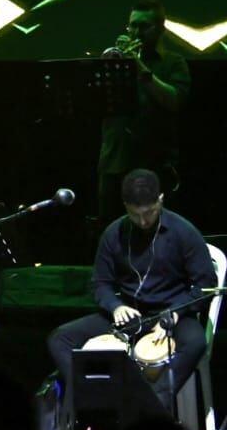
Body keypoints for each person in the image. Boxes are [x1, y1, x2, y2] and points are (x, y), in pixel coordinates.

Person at [46, 169, 217, 416]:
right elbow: (100, 283)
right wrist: (115, 307)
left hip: (170, 314)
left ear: (160, 200)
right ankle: (94, 402)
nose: (144, 221)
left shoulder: (184, 232)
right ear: (126, 206)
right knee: (59, 338)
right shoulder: (114, 233)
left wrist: (177, 312)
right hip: (128, 315)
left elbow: (206, 285)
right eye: (135, 215)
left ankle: (153, 406)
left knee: (196, 341)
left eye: (149, 213)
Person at [97, 0, 190, 225]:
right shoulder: (114, 60)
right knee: (110, 232)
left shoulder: (173, 63)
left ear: (160, 29)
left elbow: (174, 101)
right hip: (114, 162)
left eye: (143, 26)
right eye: (132, 26)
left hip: (152, 164)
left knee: (151, 233)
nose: (136, 32)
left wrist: (139, 68)